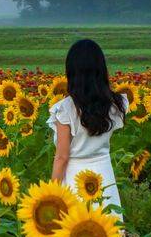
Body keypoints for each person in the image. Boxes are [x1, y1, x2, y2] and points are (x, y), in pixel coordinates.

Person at [48, 38, 129, 224]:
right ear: (101, 70)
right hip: (104, 175)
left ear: (72, 72)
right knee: (107, 232)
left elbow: (61, 158)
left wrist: (50, 195)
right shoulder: (115, 104)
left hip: (75, 179)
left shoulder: (66, 109)